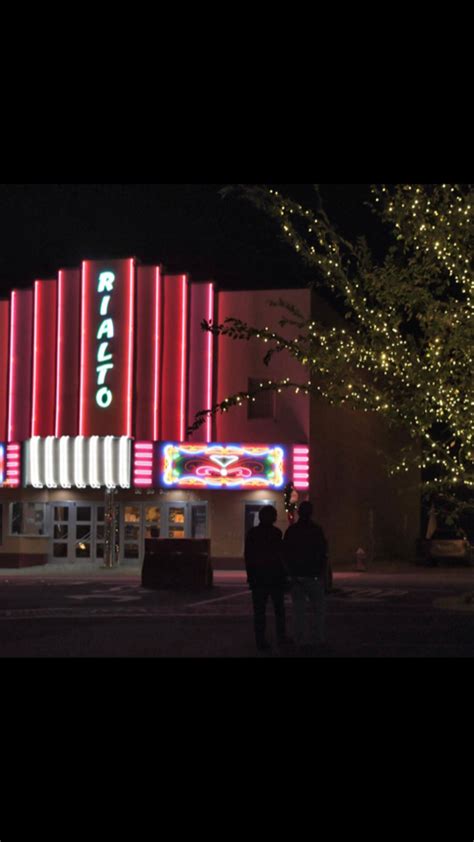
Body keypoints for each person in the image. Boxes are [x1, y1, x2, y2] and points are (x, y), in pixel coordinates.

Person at [245, 506, 291, 651]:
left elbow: (249, 556)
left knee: (259, 612)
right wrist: (285, 575)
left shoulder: (253, 533)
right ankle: (281, 637)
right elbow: (281, 556)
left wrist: (250, 576)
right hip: (275, 577)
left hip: (259, 578)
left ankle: (260, 640)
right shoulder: (276, 533)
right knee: (279, 610)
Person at [284, 501, 328, 648]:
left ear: (299, 513)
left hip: (297, 576)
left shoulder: (292, 531)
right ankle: (318, 638)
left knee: (299, 611)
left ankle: (299, 638)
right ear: (311, 513)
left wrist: (289, 573)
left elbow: (286, 553)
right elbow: (323, 553)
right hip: (313, 575)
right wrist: (322, 572)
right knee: (318, 610)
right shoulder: (317, 530)